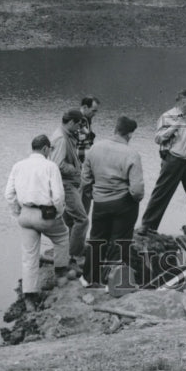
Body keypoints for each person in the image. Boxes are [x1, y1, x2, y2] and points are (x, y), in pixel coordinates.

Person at [4, 134, 71, 311]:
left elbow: (9, 194)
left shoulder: (18, 166)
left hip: (25, 214)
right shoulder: (50, 166)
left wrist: (17, 213)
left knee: (29, 256)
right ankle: (61, 275)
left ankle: (29, 298)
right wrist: (59, 212)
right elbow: (58, 196)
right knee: (62, 236)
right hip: (45, 215)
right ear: (45, 149)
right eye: (49, 150)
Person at [80, 115, 144, 287]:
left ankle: (88, 279)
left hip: (100, 202)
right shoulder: (132, 154)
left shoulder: (95, 148)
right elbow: (137, 190)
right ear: (130, 134)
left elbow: (85, 178)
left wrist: (92, 194)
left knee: (96, 239)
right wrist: (134, 199)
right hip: (123, 203)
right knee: (120, 242)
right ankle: (113, 282)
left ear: (115, 129)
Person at [139, 89, 186, 237]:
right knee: (161, 192)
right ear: (182, 102)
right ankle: (147, 226)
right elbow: (157, 138)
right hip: (173, 159)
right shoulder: (167, 116)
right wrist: (175, 126)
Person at [49, 108, 90, 269]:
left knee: (70, 221)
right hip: (66, 184)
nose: (79, 129)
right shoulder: (61, 138)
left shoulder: (64, 135)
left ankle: (68, 252)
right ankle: (74, 256)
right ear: (71, 122)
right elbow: (57, 164)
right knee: (82, 219)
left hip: (66, 184)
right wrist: (77, 170)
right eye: (78, 125)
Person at [77, 95, 101, 216]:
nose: (95, 114)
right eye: (93, 111)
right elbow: (82, 145)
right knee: (83, 197)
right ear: (85, 107)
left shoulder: (85, 120)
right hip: (81, 165)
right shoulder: (80, 120)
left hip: (83, 163)